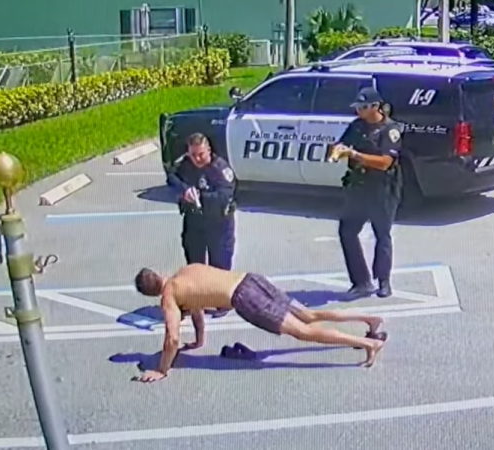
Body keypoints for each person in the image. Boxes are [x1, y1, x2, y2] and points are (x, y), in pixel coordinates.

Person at [132, 264, 386, 382]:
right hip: (251, 279)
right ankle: (369, 319)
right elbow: (196, 309)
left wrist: (162, 369)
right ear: (158, 274)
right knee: (309, 315)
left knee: (303, 331)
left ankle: (367, 343)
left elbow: (172, 339)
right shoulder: (186, 271)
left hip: (245, 298)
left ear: (151, 293)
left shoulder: (169, 297)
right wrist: (200, 341)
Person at [329, 86, 403, 299]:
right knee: (347, 231)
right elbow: (341, 142)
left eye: (362, 107)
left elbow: (385, 163)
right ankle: (361, 281)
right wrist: (337, 149)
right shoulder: (357, 126)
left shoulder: (390, 130)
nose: (358, 111)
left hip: (382, 188)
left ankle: (383, 280)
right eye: (357, 107)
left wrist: (354, 154)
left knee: (382, 234)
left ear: (375, 107)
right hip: (358, 186)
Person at [167, 134, 237, 317]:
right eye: (193, 155)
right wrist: (184, 191)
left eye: (201, 154)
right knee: (194, 263)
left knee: (219, 265)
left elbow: (224, 196)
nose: (197, 159)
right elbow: (172, 177)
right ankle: (196, 300)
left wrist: (199, 196)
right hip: (195, 221)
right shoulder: (186, 164)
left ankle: (223, 301)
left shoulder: (221, 169)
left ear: (209, 151)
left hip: (219, 223)